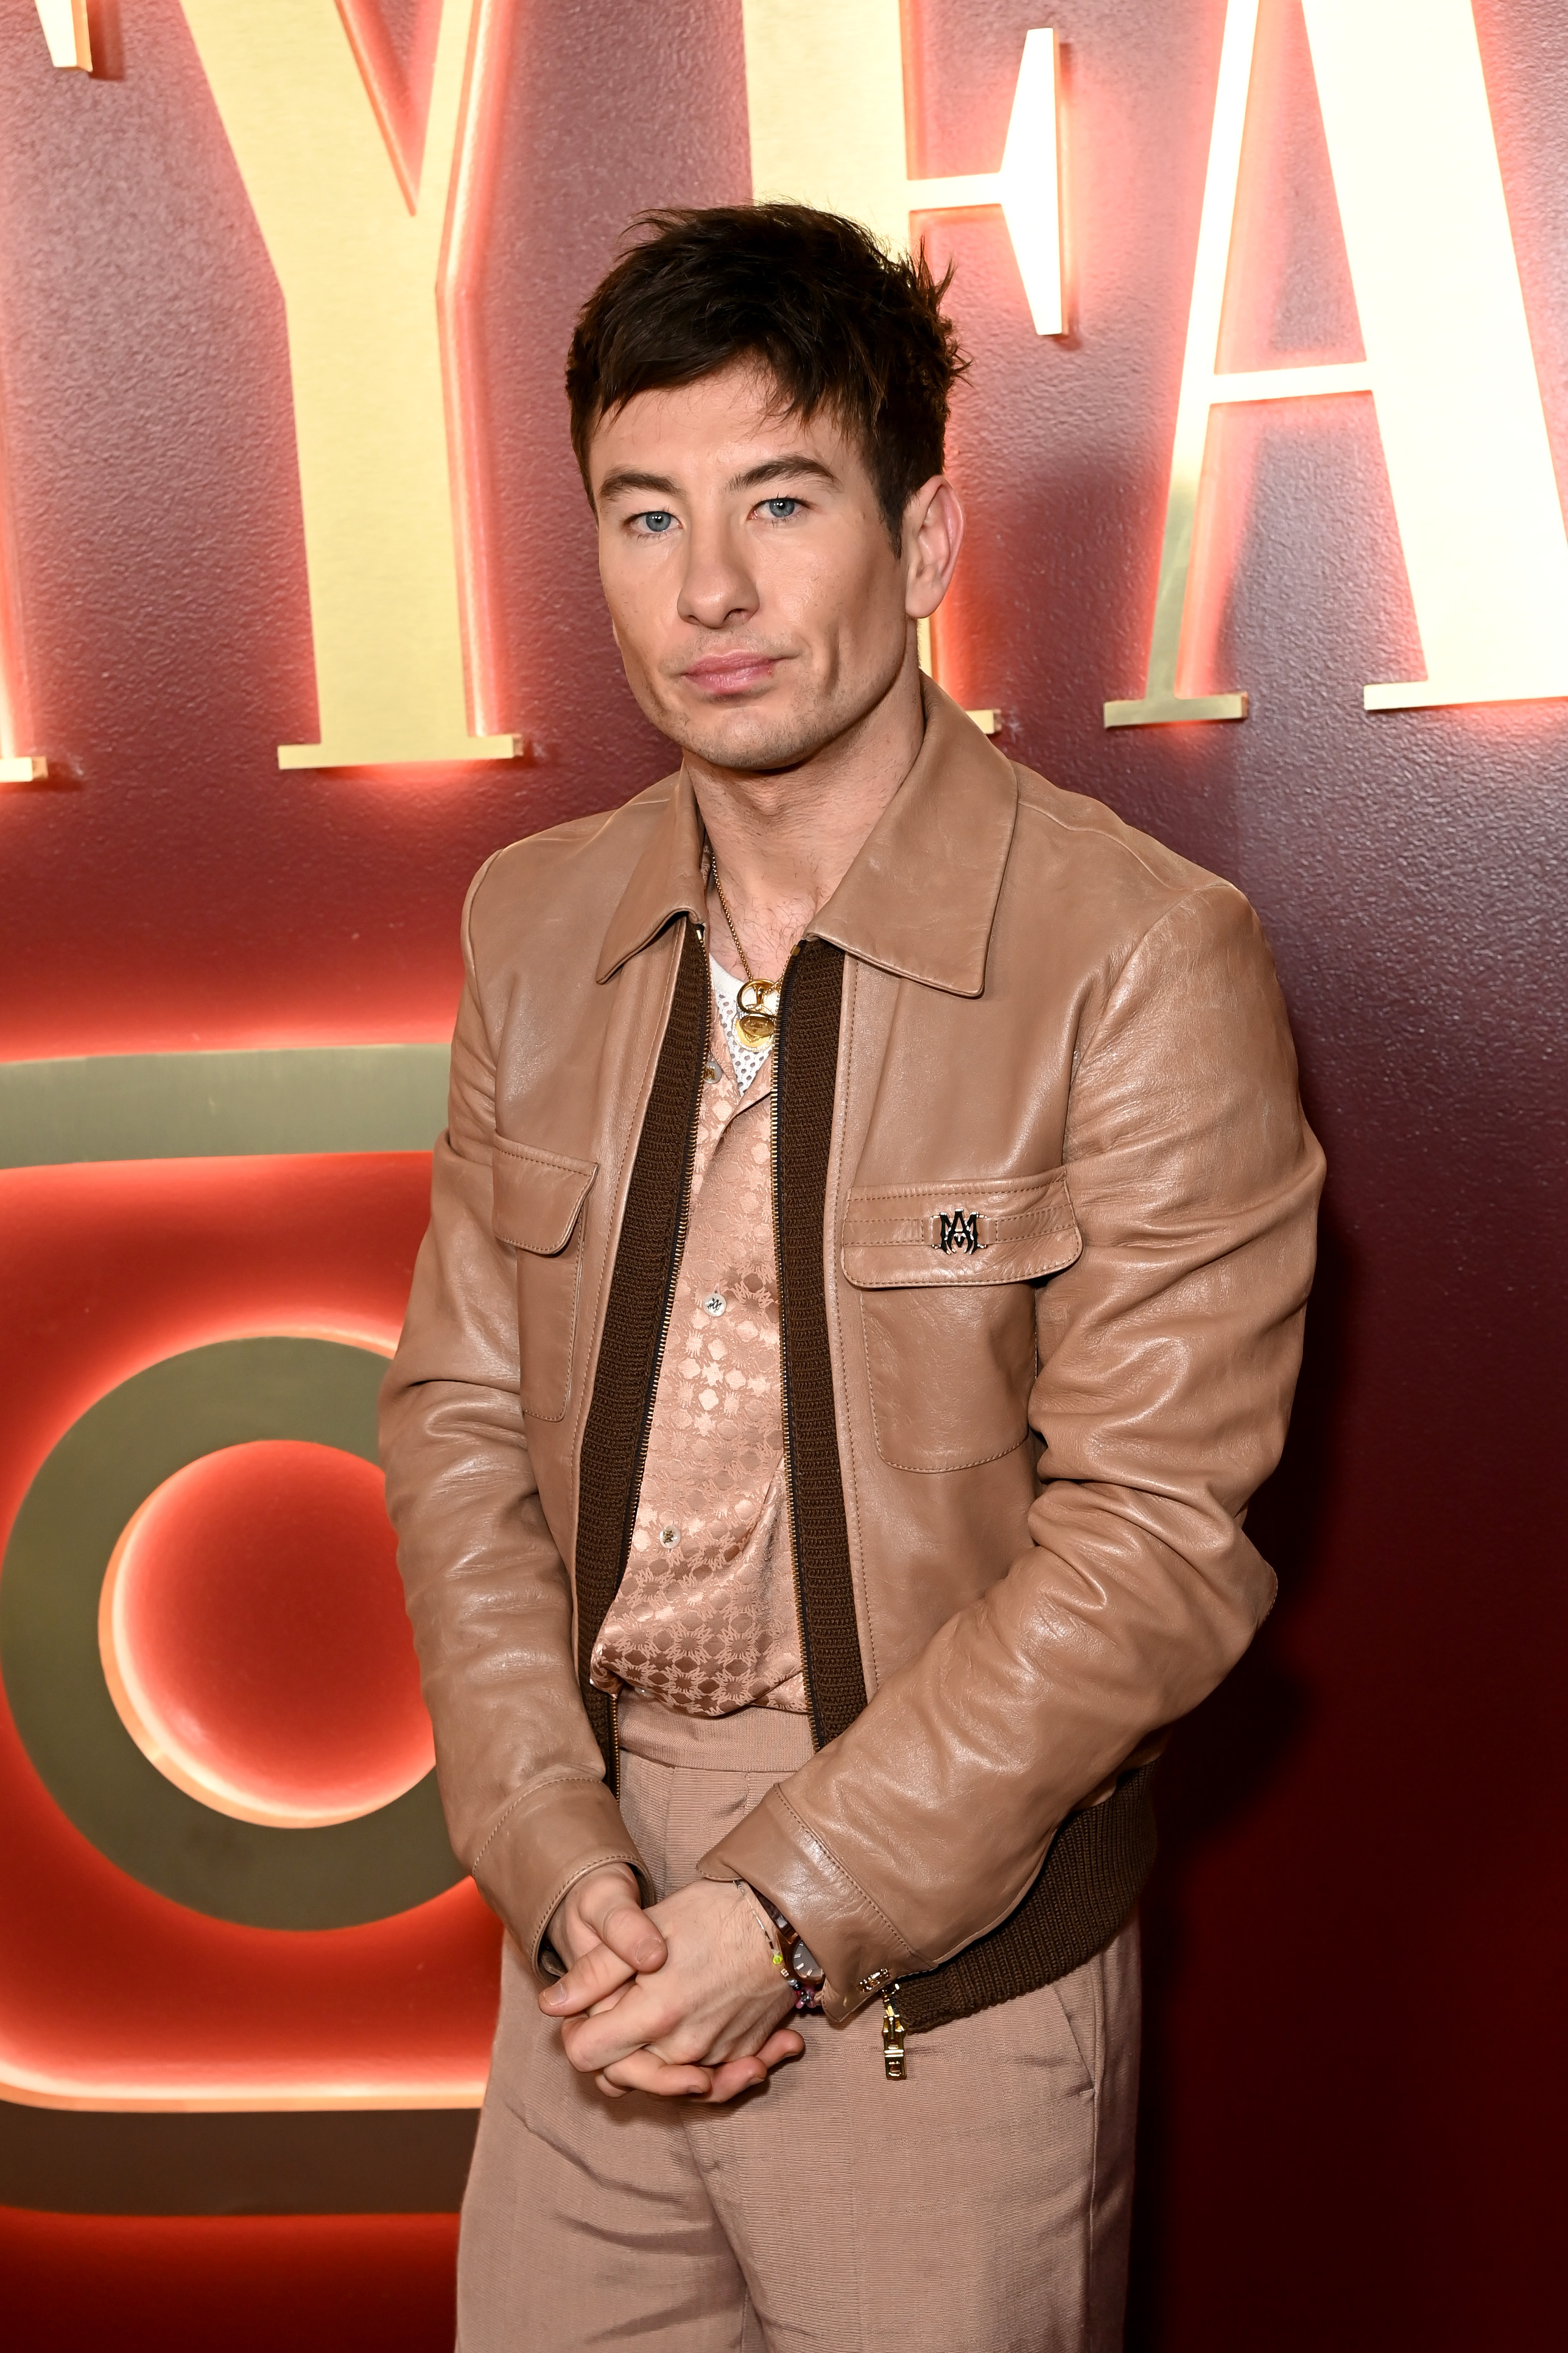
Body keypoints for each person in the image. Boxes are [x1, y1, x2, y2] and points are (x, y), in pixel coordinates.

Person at [380, 202, 1324, 2352]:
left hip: (938, 1964)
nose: (708, 591)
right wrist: (557, 1860)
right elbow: (453, 1427)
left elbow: (1158, 1543)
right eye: (646, 515)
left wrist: (786, 1912)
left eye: (780, 501)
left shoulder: (1138, 956)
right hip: (593, 1951)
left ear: (918, 543)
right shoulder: (535, 922)